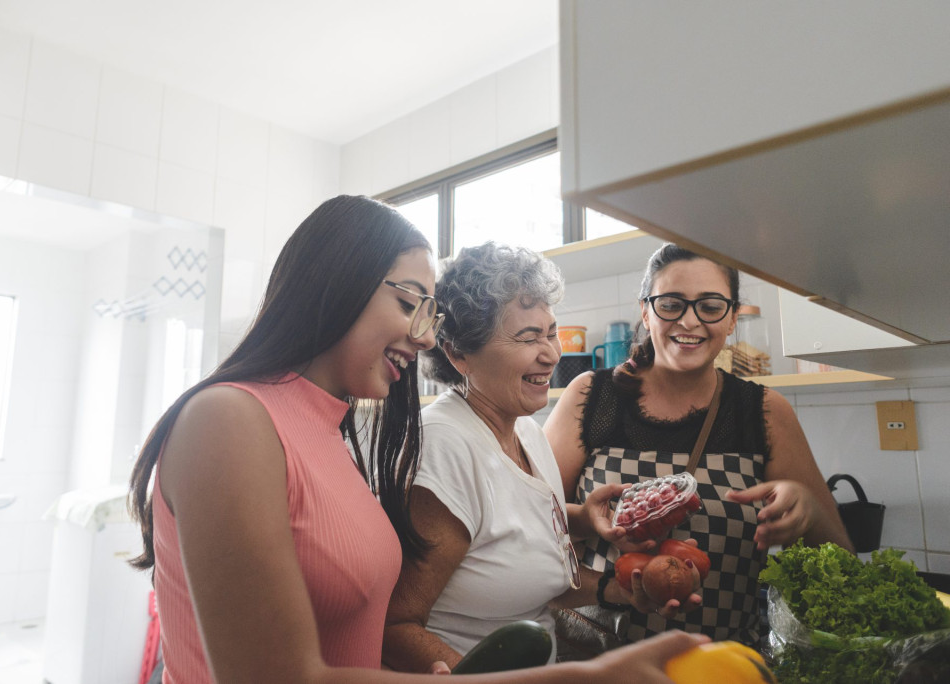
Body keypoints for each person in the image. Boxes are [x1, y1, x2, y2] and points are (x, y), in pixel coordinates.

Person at [127, 200, 705, 683]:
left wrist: (578, 523)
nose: (424, 336)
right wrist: (579, 678)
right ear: (337, 285)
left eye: (427, 311)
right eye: (408, 304)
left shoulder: (333, 430)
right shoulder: (228, 420)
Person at [382, 243, 699, 674]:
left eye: (551, 332)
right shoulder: (446, 446)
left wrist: (619, 584)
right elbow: (395, 626)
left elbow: (523, 566)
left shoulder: (526, 432)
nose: (551, 353)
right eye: (528, 337)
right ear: (459, 354)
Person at [544, 242, 853, 648]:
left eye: (710, 306)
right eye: (671, 304)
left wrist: (808, 510)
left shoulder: (763, 411)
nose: (689, 322)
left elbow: (841, 563)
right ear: (645, 311)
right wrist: (603, 570)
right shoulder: (590, 398)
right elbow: (527, 530)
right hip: (597, 663)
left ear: (732, 319)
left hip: (720, 665)